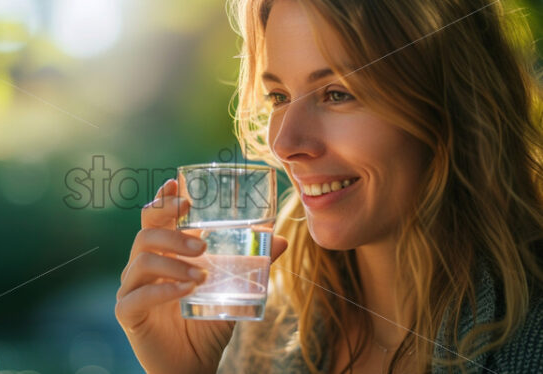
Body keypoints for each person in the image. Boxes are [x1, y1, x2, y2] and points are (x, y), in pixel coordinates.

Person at [115, 0, 543, 372]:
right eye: (279, 97)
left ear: (450, 103)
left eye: (337, 93)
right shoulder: (262, 334)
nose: (284, 144)